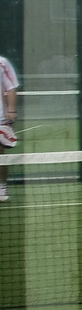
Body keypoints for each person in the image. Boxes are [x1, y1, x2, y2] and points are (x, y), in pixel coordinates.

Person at [0, 51, 16, 202]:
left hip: (0, 119)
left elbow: (10, 88)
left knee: (0, 154)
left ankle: (2, 187)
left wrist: (11, 110)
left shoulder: (2, 63)